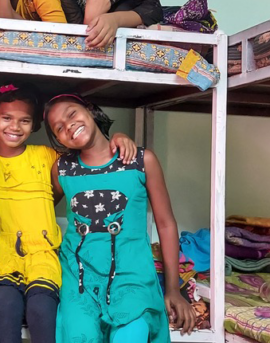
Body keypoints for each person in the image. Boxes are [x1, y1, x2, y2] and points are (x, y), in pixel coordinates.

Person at [0, 83, 135, 343]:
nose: (15, 127)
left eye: (24, 120)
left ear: (35, 125)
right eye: (6, 118)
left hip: (44, 254)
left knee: (41, 310)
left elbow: (89, 147)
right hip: (3, 256)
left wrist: (118, 136)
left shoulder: (47, 156)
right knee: (4, 309)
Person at [44, 94, 197, 342]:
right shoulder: (63, 168)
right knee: (79, 334)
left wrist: (173, 288)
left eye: (72, 114)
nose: (68, 125)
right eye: (58, 128)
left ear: (90, 110)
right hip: (79, 279)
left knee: (131, 334)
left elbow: (166, 224)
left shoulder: (140, 161)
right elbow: (37, 208)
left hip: (131, 276)